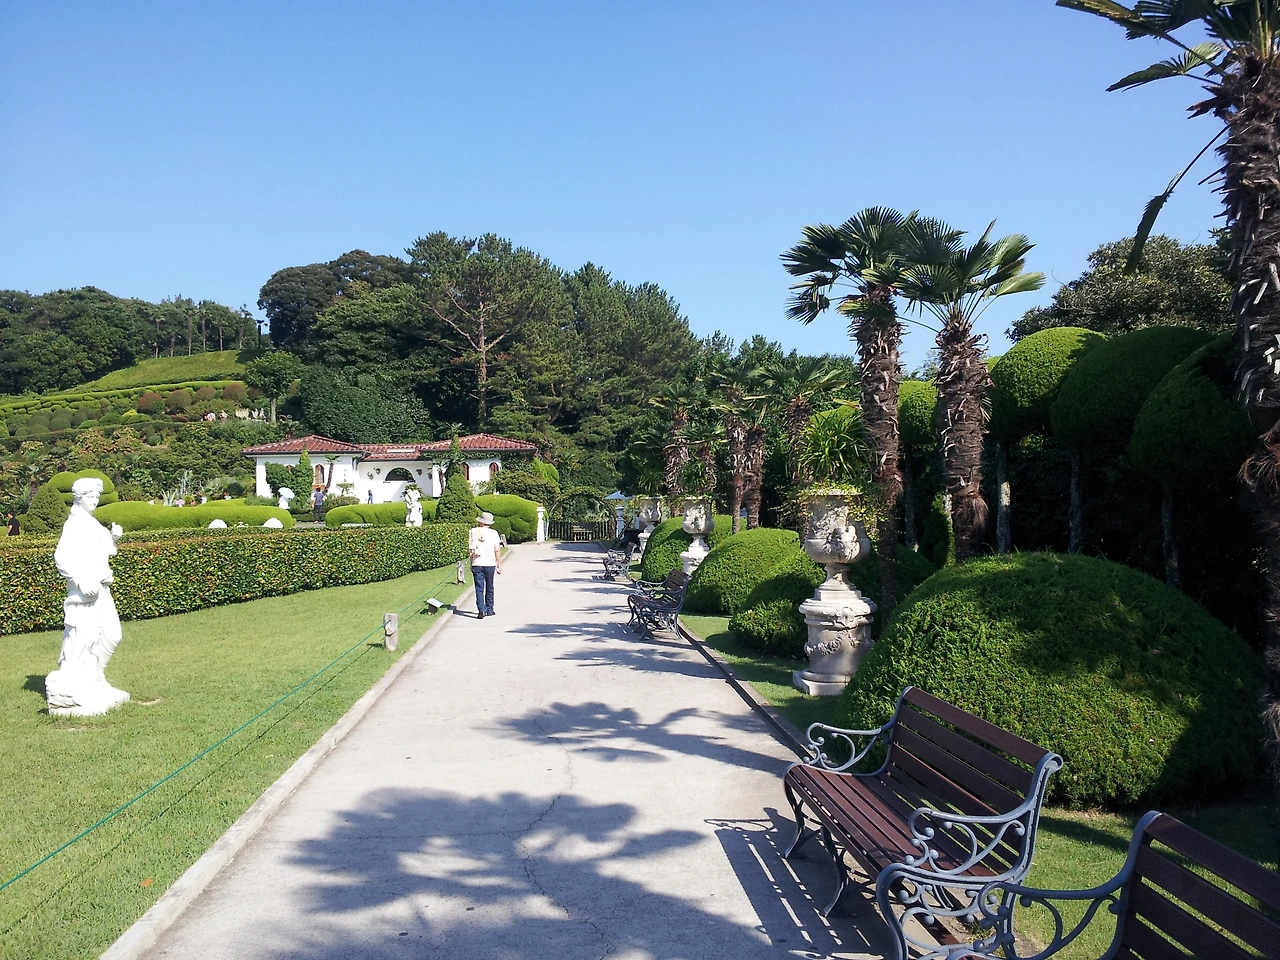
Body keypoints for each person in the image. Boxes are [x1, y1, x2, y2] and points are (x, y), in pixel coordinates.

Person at [45, 477, 129, 715]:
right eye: (90, 496)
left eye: (96, 497)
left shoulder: (91, 522)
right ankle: (78, 685)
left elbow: (101, 551)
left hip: (101, 588)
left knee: (111, 635)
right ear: (79, 498)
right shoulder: (74, 524)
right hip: (84, 593)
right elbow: (61, 557)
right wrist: (80, 581)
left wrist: (113, 538)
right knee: (83, 639)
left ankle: (96, 678)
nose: (94, 501)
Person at [468, 511, 502, 619]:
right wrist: (499, 564)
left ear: (481, 522)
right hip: (489, 563)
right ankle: (490, 609)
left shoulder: (473, 531)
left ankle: (481, 610)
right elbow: (497, 550)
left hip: (477, 563)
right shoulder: (494, 533)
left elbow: (470, 549)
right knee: (489, 587)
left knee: (479, 588)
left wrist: (471, 563)